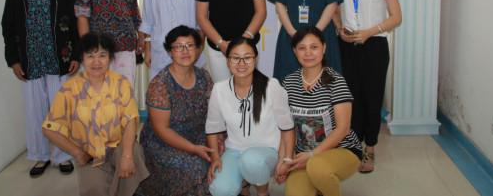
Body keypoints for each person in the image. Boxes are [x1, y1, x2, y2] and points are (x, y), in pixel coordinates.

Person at [1, 0, 79, 177]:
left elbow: (74, 23)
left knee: (60, 109)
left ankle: (63, 155)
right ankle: (40, 155)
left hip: (59, 57)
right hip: (30, 59)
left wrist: (75, 53)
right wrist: (13, 60)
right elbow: (8, 27)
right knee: (35, 111)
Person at [42, 32, 149, 196]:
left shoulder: (121, 84)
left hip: (120, 147)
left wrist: (126, 155)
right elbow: (49, 128)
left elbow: (130, 120)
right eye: (90, 56)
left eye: (102, 55)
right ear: (82, 58)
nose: (97, 62)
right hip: (91, 155)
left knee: (132, 158)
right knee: (95, 189)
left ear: (110, 58)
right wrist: (77, 152)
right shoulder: (69, 89)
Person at [334, 0, 402, 173]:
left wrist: (370, 31)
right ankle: (353, 145)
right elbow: (334, 7)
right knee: (350, 97)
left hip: (374, 46)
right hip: (348, 45)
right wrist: (340, 26)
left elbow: (396, 17)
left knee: (372, 96)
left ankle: (370, 147)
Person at [279, 26, 362, 196]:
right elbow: (287, 128)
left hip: (342, 149)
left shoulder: (335, 81)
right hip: (303, 156)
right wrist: (284, 159)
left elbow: (343, 129)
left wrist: (312, 155)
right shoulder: (288, 83)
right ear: (295, 51)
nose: (308, 53)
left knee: (317, 168)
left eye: (314, 47)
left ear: (324, 48)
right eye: (302, 48)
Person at [206, 38, 295, 196]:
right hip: (234, 151)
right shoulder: (219, 89)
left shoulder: (271, 86)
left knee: (252, 160)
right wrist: (215, 158)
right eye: (235, 58)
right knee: (220, 189)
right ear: (227, 61)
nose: (241, 63)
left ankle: (262, 192)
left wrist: (286, 159)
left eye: (247, 57)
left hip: (267, 153)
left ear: (256, 59)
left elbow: (287, 127)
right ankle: (244, 183)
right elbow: (213, 128)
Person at [136, 25, 212, 196]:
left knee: (225, 153)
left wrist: (216, 140)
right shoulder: (160, 84)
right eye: (178, 47)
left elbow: (213, 115)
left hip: (198, 134)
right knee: (195, 167)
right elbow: (162, 129)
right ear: (170, 52)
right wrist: (193, 148)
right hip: (164, 142)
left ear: (198, 49)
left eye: (190, 45)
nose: (185, 51)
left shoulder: (204, 77)